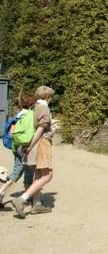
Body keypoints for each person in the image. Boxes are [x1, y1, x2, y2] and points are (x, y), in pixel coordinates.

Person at [12, 86, 57, 218]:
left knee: (38, 175)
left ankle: (36, 204)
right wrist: (31, 146)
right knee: (48, 175)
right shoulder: (44, 108)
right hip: (41, 144)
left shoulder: (33, 107)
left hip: (33, 145)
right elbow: (40, 130)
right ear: (48, 96)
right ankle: (22, 199)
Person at [0, 95, 35, 207]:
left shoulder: (17, 115)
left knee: (18, 170)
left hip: (16, 147)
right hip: (25, 146)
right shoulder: (31, 115)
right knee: (29, 171)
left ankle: (1, 191)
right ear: (31, 104)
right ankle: (27, 198)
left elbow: (11, 133)